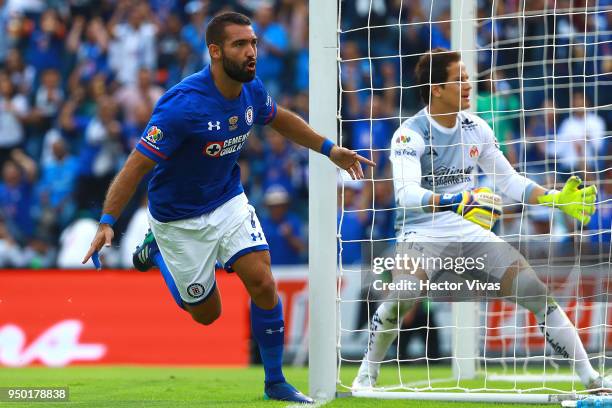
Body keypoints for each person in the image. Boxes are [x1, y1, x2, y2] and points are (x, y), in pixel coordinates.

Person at [82, 12, 374, 404]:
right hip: (178, 219)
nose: (252, 52)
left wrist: (329, 149)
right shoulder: (181, 107)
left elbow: (280, 119)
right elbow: (136, 165)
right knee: (206, 314)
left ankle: (275, 383)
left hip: (227, 201)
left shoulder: (250, 89)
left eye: (253, 43)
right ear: (215, 52)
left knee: (263, 282)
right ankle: (157, 253)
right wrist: (107, 221)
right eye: (241, 44)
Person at [352, 48, 608, 392]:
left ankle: (591, 379)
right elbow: (405, 194)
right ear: (437, 88)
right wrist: (454, 200)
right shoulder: (408, 134)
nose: (469, 85)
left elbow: (510, 181)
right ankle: (366, 374)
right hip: (421, 232)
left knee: (537, 293)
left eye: (467, 78)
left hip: (470, 230)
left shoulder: (477, 128)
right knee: (405, 294)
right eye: (459, 79)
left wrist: (552, 197)